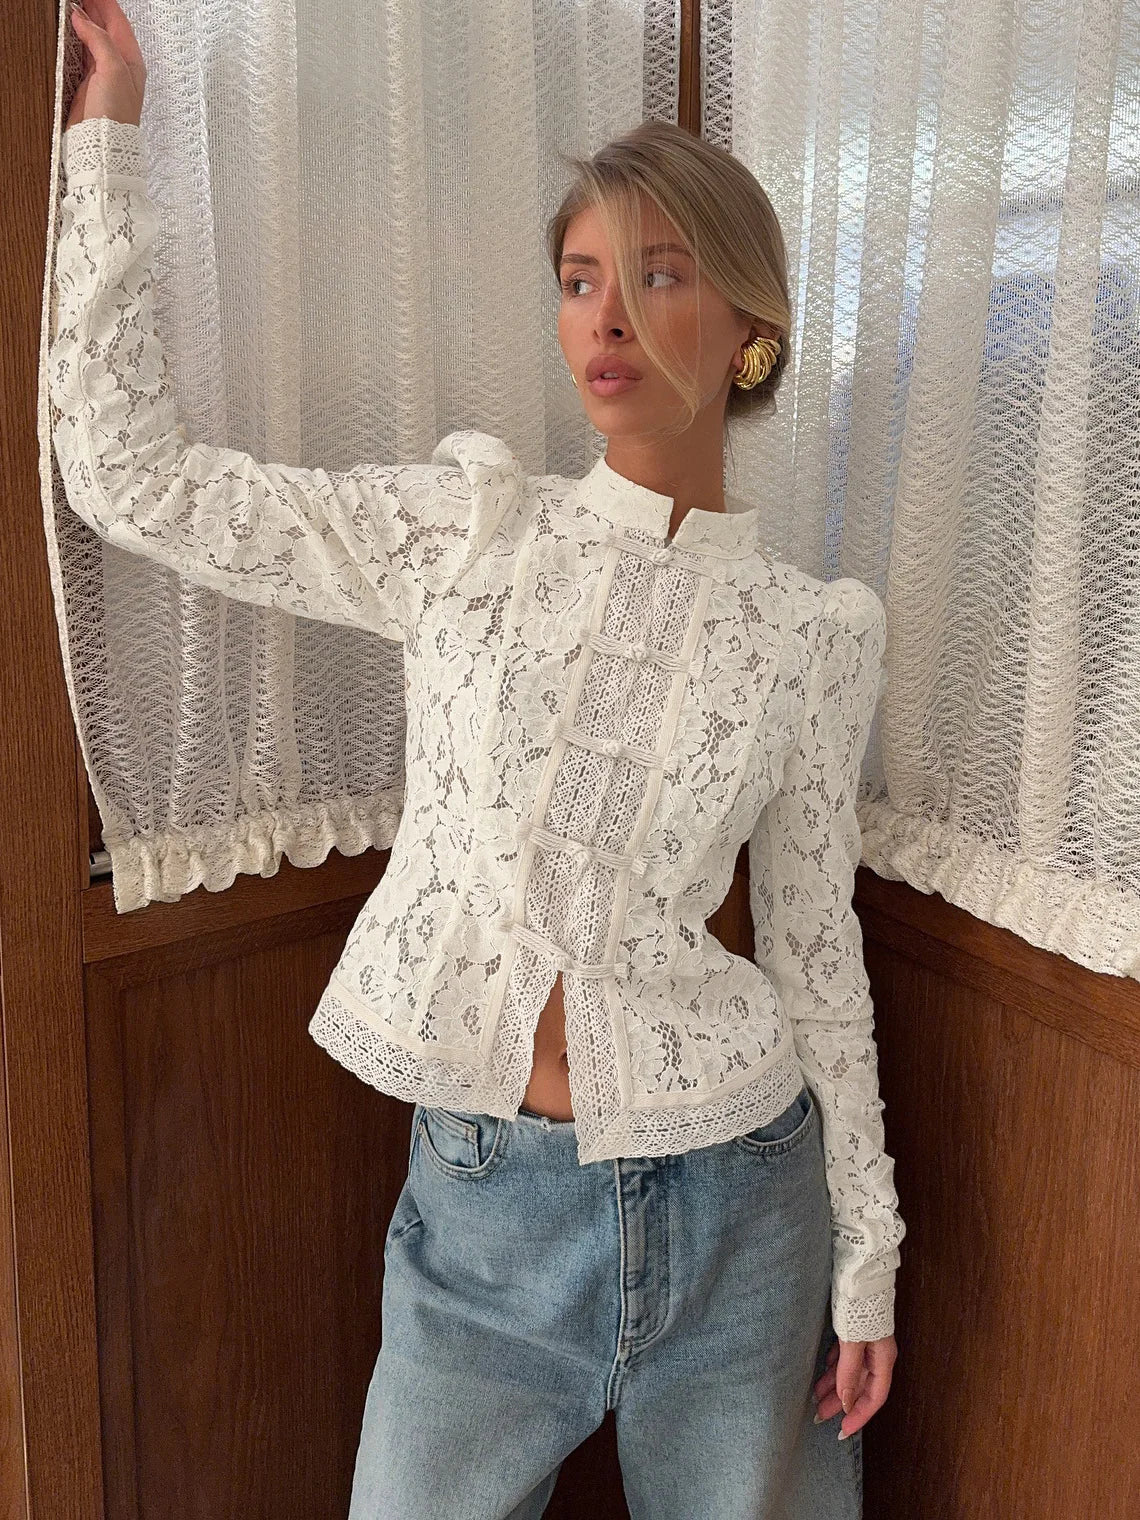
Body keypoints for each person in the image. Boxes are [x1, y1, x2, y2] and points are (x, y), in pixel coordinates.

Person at [55, 3, 905, 1516]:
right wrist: (105, 129)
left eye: (659, 275)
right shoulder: (470, 535)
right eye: (582, 281)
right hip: (482, 1212)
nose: (607, 319)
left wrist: (869, 1261)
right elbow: (136, 484)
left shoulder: (812, 631)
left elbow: (816, 950)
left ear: (752, 328)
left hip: (742, 1211)